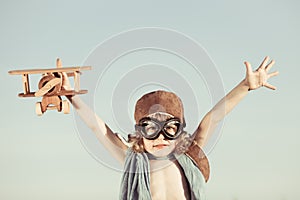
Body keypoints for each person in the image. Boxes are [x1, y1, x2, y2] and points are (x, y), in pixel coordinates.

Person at [60, 56, 278, 200]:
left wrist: (245, 86)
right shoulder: (134, 161)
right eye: (150, 129)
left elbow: (213, 118)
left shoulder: (189, 156)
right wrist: (72, 98)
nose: (160, 137)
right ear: (140, 133)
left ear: (179, 130)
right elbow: (99, 129)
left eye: (170, 128)